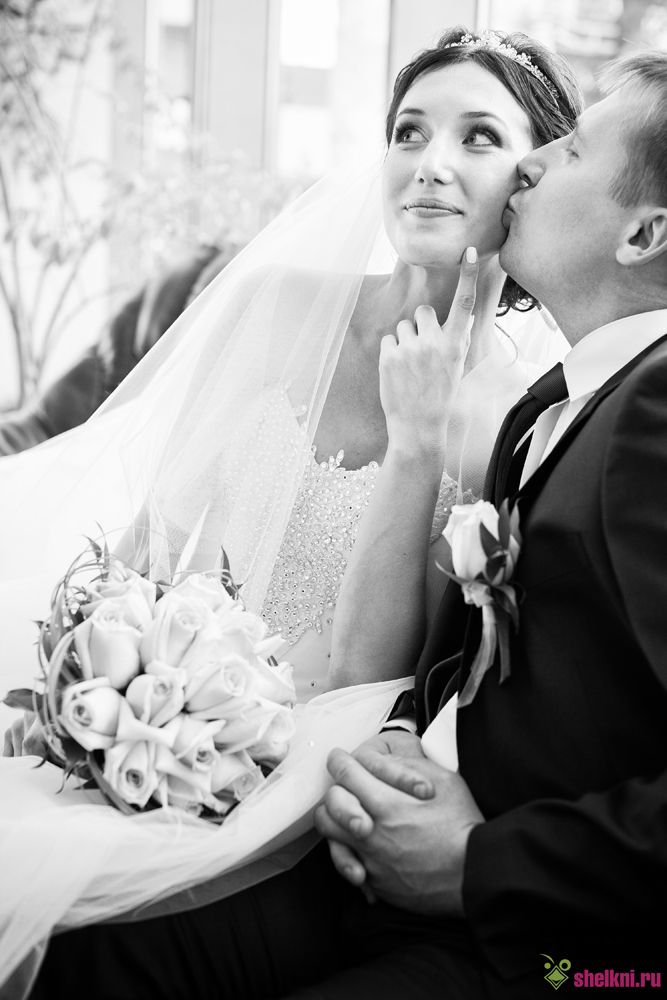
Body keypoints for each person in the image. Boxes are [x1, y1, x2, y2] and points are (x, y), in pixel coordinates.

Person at [28, 46, 667, 999]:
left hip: (336, 801)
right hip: (177, 735)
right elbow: (145, 552)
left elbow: (400, 671)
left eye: (485, 138)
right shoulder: (550, 399)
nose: (430, 163)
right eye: (407, 132)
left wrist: (477, 855)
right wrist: (107, 682)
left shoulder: (543, 405)